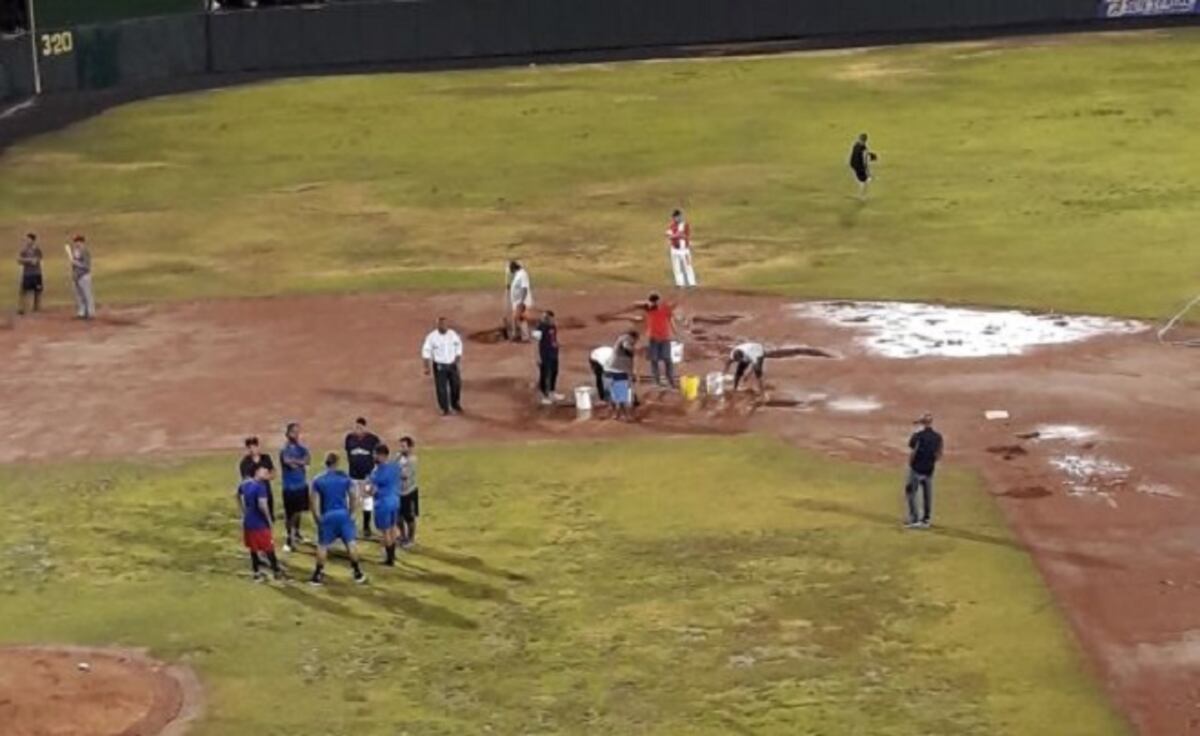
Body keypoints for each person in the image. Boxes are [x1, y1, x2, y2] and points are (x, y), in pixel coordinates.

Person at [309, 452, 368, 585]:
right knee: (350, 543)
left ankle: (317, 576)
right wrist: (352, 514)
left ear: (326, 463)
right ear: (336, 463)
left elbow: (313, 502)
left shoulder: (318, 480)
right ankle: (357, 573)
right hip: (343, 515)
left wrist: (317, 518)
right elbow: (354, 496)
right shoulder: (344, 478)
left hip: (327, 516)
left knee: (323, 545)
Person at [237, 465, 283, 582]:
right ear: (257, 472)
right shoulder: (261, 487)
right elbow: (262, 505)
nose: (266, 474)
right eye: (264, 472)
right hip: (259, 523)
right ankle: (276, 571)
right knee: (268, 548)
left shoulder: (245, 484)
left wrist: (243, 510)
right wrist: (269, 519)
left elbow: (237, 495)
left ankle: (256, 573)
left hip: (248, 522)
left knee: (253, 549)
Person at [905, 413, 944, 529]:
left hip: (916, 469)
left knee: (911, 492)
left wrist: (911, 464)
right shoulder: (938, 437)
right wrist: (931, 463)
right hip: (929, 470)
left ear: (922, 423)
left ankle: (914, 519)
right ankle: (926, 520)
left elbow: (912, 448)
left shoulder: (917, 436)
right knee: (927, 495)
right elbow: (939, 454)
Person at [344, 417, 380, 538]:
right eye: (356, 427)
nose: (358, 430)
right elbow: (348, 454)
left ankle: (366, 527)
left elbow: (377, 456)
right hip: (353, 477)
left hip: (368, 477)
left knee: (367, 502)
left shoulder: (373, 440)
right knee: (352, 502)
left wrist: (373, 473)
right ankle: (349, 526)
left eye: (360, 427)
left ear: (365, 428)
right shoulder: (349, 438)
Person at [279, 422, 312, 551]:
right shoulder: (284, 449)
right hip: (289, 487)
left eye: (298, 432)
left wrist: (297, 461)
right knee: (290, 514)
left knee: (299, 512)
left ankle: (297, 534)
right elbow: (288, 463)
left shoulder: (301, 448)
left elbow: (308, 460)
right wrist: (300, 462)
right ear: (287, 434)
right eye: (293, 432)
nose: (296, 434)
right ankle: (289, 538)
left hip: (301, 485)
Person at [422, 317, 464, 416]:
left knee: (456, 385)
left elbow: (459, 345)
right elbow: (426, 351)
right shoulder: (432, 337)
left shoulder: (452, 334)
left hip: (452, 364)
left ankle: (455, 404)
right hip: (440, 366)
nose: (444, 327)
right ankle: (445, 408)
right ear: (438, 325)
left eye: (445, 325)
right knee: (441, 388)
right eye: (441, 325)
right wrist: (426, 366)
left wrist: (457, 357)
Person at [368, 444, 402, 566]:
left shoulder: (376, 473)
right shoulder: (395, 467)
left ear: (381, 455)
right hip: (395, 501)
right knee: (393, 528)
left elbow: (372, 491)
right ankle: (393, 555)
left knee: (385, 532)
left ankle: (389, 560)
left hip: (383, 504)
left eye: (375, 454)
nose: (374, 456)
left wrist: (367, 490)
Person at [638, 293, 678, 388]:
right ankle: (657, 382)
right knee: (654, 360)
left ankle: (671, 381)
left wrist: (676, 333)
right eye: (653, 302)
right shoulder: (649, 309)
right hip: (654, 339)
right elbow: (639, 304)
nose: (655, 303)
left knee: (667, 360)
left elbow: (671, 320)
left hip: (665, 339)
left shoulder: (665, 309)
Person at [238, 436, 276, 523]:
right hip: (253, 494)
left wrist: (265, 477)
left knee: (269, 516)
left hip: (267, 491)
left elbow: (273, 473)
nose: (252, 450)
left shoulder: (266, 458)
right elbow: (246, 480)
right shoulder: (245, 462)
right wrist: (259, 477)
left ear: (258, 447)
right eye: (249, 447)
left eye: (254, 447)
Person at [605, 330, 640, 421]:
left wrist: (632, 374)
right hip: (619, 370)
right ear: (635, 337)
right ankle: (624, 416)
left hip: (615, 369)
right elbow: (627, 346)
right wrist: (637, 350)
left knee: (618, 392)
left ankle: (617, 414)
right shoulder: (627, 338)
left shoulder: (621, 339)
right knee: (621, 393)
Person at [533, 311, 562, 405]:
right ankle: (544, 396)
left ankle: (552, 392)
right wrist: (537, 356)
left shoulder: (553, 326)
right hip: (544, 355)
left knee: (554, 372)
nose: (553, 320)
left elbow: (553, 338)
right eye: (551, 319)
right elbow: (535, 343)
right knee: (544, 375)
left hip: (553, 354)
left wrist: (557, 345)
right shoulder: (539, 328)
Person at [665, 209, 697, 289]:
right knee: (676, 267)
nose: (675, 219)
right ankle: (680, 283)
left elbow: (683, 235)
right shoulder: (671, 225)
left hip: (684, 250)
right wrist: (675, 235)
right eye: (674, 217)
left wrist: (673, 236)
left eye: (676, 217)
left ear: (679, 217)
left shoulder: (684, 225)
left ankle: (692, 283)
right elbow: (668, 235)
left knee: (688, 266)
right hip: (674, 249)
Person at [398, 436, 420, 549]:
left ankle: (411, 539)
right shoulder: (399, 458)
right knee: (398, 517)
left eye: (403, 446)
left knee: (409, 518)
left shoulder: (412, 460)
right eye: (400, 446)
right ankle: (402, 535)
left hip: (409, 492)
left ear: (410, 447)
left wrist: (392, 471)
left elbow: (404, 476)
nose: (401, 449)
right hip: (398, 492)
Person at [66, 235, 95, 320]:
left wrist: (76, 263)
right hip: (76, 276)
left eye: (78, 241)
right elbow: (73, 265)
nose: (76, 243)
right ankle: (81, 312)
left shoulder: (85, 251)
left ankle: (90, 313)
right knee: (78, 296)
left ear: (82, 242)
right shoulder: (75, 252)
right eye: (75, 242)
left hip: (84, 276)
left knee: (87, 295)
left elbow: (87, 266)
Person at [16, 233, 43, 316]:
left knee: (37, 291)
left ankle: (37, 308)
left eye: (28, 239)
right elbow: (19, 260)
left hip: (36, 273)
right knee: (23, 291)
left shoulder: (37, 249)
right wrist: (28, 260)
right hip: (27, 274)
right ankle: (22, 308)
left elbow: (38, 259)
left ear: (33, 240)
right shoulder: (24, 250)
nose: (27, 241)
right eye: (26, 239)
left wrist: (32, 260)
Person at [507, 260, 533, 342]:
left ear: (513, 268)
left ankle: (525, 337)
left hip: (522, 301)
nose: (509, 270)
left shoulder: (523, 274)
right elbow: (517, 286)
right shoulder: (518, 274)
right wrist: (510, 287)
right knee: (515, 318)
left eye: (510, 268)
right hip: (516, 301)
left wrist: (521, 302)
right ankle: (516, 335)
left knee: (521, 318)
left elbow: (524, 288)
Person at [849, 133, 878, 200]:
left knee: (862, 179)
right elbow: (865, 162)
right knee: (864, 181)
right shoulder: (864, 149)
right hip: (859, 166)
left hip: (853, 164)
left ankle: (861, 193)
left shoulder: (855, 145)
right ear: (866, 140)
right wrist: (868, 172)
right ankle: (862, 196)